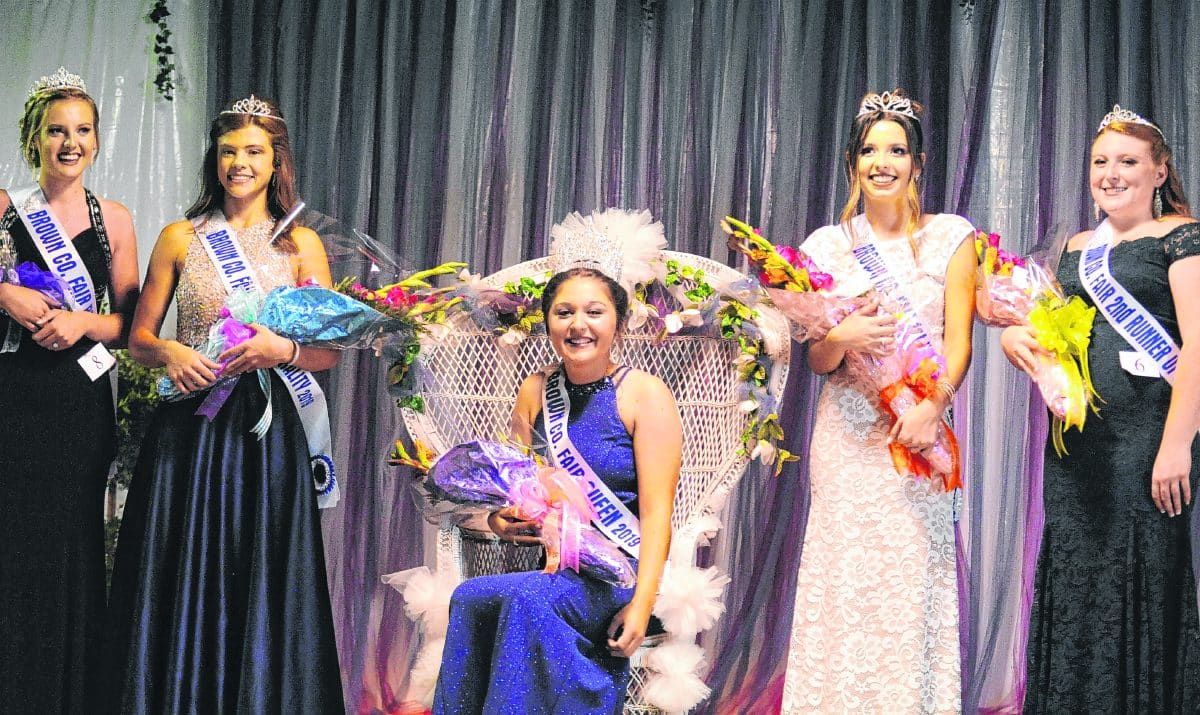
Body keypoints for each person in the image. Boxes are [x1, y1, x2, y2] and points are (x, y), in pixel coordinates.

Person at [105, 96, 344, 712]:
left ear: (276, 161)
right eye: (229, 150)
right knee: (182, 569)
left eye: (254, 152)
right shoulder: (181, 237)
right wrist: (172, 355)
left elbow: (328, 353)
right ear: (215, 158)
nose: (239, 163)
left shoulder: (302, 245)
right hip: (190, 427)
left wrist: (280, 346)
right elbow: (139, 338)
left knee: (261, 570)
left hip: (268, 431)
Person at [781, 89, 976, 713]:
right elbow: (818, 361)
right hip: (847, 434)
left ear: (918, 163)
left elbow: (959, 342)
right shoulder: (825, 246)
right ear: (852, 163)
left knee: (909, 576)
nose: (883, 162)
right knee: (844, 576)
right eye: (870, 151)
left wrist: (933, 406)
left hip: (915, 437)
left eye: (897, 150)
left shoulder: (952, 237)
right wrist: (840, 336)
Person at [1002, 105, 1200, 712]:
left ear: (1160, 171)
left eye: (1129, 162)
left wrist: (1175, 446)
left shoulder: (1183, 237)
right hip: (1077, 444)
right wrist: (1016, 340)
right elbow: (1050, 331)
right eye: (1100, 162)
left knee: (1139, 574)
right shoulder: (1075, 246)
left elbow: (1196, 345)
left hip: (1147, 438)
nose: (1111, 174)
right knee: (1079, 577)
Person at [433, 264, 682, 715]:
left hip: (619, 574)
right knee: (469, 596)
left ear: (618, 324)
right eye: (564, 312)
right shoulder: (535, 390)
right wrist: (501, 520)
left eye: (594, 312)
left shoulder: (645, 395)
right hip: (556, 567)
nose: (578, 325)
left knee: (529, 600)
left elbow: (659, 513)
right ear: (548, 321)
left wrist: (643, 604)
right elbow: (516, 490)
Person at [0, 67, 139, 712]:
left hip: (79, 402)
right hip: (13, 396)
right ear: (34, 137)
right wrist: (7, 293)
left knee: (73, 542)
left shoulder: (113, 218)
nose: (69, 143)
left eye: (82, 131)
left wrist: (83, 321)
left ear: (98, 141)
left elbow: (132, 324)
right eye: (57, 130)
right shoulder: (4, 208)